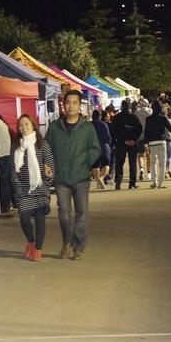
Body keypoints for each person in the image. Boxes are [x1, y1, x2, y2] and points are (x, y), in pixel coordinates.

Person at [45, 90, 101, 260]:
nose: (71, 106)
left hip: (81, 178)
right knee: (63, 214)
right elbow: (46, 148)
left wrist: (85, 162)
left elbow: (95, 148)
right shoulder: (55, 127)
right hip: (61, 177)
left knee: (82, 214)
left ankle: (78, 247)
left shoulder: (87, 127)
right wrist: (47, 163)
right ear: (63, 105)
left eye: (74, 102)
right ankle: (66, 242)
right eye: (68, 102)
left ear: (79, 105)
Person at [14, 114, 55, 261]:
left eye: (26, 124)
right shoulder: (17, 147)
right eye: (21, 125)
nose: (23, 127)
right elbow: (13, 170)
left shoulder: (42, 144)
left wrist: (47, 184)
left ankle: (38, 249)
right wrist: (17, 188)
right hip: (24, 190)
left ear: (33, 126)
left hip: (40, 189)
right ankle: (31, 242)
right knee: (24, 218)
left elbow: (51, 167)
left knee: (39, 220)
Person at [142, 102, 171, 189]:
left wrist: (146, 144)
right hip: (162, 142)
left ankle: (154, 182)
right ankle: (160, 183)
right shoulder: (163, 118)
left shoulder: (148, 119)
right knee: (162, 163)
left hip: (152, 143)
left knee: (153, 163)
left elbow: (146, 131)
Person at [111, 99, 143, 190]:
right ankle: (132, 183)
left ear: (121, 106)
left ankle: (118, 180)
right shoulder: (134, 117)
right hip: (132, 142)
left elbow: (114, 131)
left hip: (121, 142)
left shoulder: (117, 117)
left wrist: (121, 139)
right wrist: (134, 139)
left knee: (119, 162)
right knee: (132, 163)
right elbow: (139, 129)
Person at [90, 108, 112, 190]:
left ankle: (99, 180)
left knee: (95, 166)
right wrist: (108, 143)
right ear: (99, 116)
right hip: (104, 148)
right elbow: (108, 137)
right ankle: (101, 178)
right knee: (107, 165)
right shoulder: (104, 124)